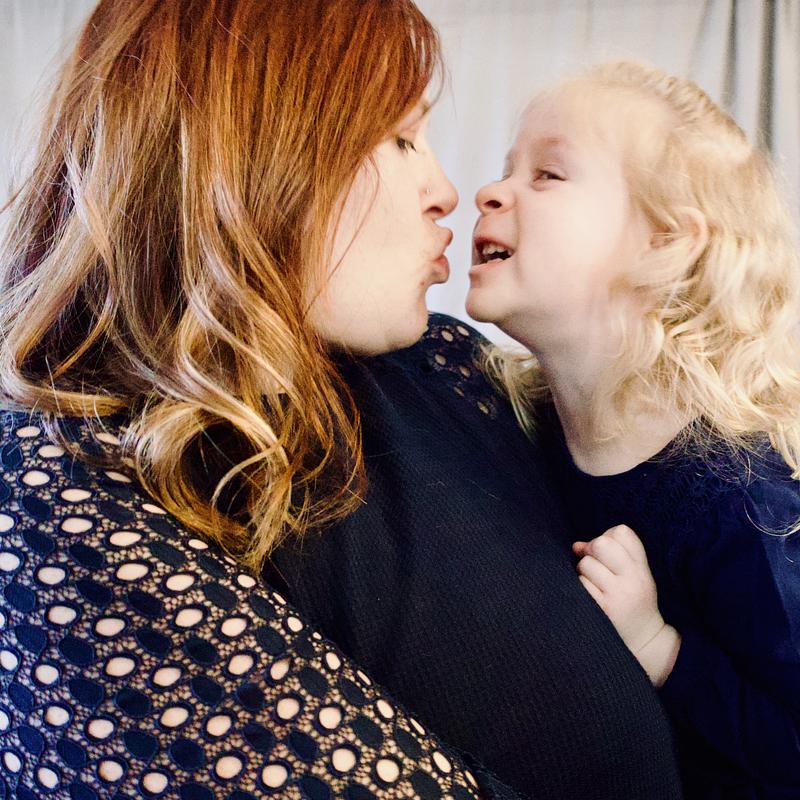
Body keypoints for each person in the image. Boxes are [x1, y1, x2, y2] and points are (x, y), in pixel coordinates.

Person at [0, 1, 682, 796]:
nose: (448, 192)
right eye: (400, 138)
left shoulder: (442, 365)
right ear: (252, 150)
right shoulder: (63, 491)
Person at [470, 60, 800, 798]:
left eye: (547, 174)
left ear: (663, 244)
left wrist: (662, 649)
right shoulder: (510, 422)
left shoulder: (742, 497)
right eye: (505, 168)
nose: (490, 192)